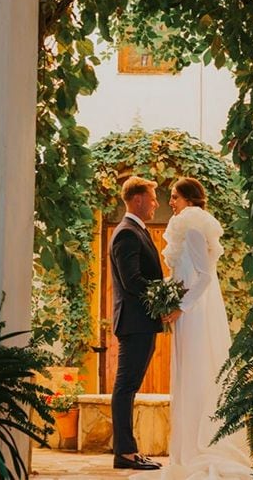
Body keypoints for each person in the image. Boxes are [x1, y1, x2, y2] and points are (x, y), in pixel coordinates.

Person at [133, 177, 253, 480]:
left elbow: (203, 277)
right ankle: (186, 450)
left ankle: (201, 447)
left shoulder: (194, 226)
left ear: (189, 198)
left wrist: (179, 307)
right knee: (187, 373)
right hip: (185, 313)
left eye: (174, 196)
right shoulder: (185, 226)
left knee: (197, 372)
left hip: (195, 314)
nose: (170, 202)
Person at [109, 175, 164, 471]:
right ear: (138, 199)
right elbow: (132, 282)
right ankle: (125, 453)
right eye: (152, 198)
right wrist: (163, 299)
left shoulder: (134, 231)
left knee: (128, 386)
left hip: (140, 322)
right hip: (135, 322)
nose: (156, 204)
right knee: (125, 387)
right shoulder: (127, 233)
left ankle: (128, 450)